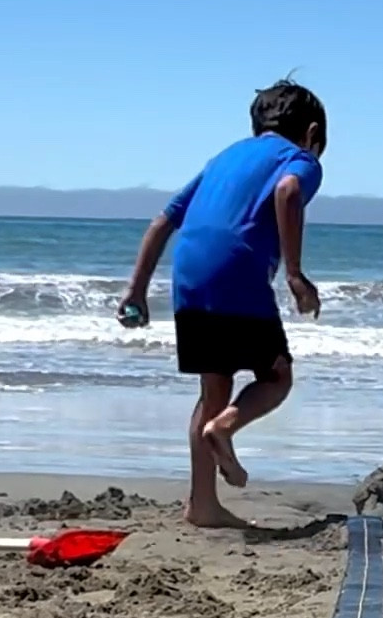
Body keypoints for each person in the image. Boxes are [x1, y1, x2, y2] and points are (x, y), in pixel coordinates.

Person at [118, 80, 326, 527]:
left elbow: (161, 222)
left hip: (190, 279)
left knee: (213, 390)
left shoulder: (222, 159)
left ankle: (203, 505)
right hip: (238, 276)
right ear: (312, 133)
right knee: (277, 376)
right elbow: (288, 192)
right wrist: (294, 274)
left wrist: (136, 291)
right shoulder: (298, 159)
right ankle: (225, 428)